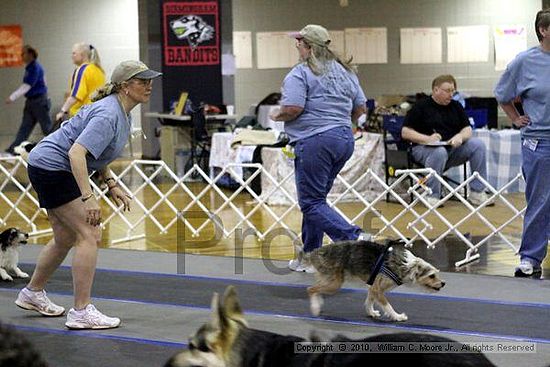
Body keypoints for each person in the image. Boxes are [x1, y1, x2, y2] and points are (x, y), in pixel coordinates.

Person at [14, 60, 162, 329]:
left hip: (47, 164)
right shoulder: (109, 114)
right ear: (125, 87)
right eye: (142, 81)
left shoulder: (122, 113)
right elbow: (76, 153)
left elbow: (96, 151)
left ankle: (32, 293)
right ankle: (81, 311)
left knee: (65, 237)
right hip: (53, 167)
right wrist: (88, 196)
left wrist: (110, 183)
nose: (149, 85)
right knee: (89, 233)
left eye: (150, 80)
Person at [270, 24, 370, 273]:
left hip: (315, 141)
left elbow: (293, 108)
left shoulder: (300, 73)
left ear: (309, 47)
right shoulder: (347, 72)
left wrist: (275, 114)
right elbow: (360, 109)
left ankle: (354, 239)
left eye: (300, 42)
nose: (297, 46)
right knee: (316, 201)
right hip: (344, 140)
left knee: (311, 202)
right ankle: (310, 256)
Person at [494, 9, 550, 278]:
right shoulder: (524, 62)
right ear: (544, 30)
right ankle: (530, 257)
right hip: (540, 140)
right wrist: (515, 118)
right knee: (540, 200)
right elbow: (502, 94)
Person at [401, 74, 492, 207]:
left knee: (478, 145)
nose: (451, 94)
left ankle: (477, 192)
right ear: (436, 90)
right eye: (447, 91)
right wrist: (427, 139)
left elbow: (468, 129)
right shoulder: (421, 106)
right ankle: (432, 195)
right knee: (439, 152)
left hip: (450, 149)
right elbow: (405, 132)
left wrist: (460, 137)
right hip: (423, 150)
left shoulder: (456, 106)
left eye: (453, 91)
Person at [4, 45, 53, 155]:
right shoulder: (30, 67)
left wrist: (12, 97)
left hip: (39, 102)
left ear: (30, 54)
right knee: (25, 127)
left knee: (47, 129)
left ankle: (58, 149)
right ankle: (14, 150)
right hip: (31, 102)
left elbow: (27, 86)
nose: (21, 56)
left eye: (23, 53)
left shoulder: (35, 67)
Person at [55, 42, 106, 124]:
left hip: (82, 116)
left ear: (82, 55)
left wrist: (62, 111)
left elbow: (76, 96)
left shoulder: (82, 70)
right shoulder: (99, 70)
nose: (72, 56)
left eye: (74, 53)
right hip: (98, 114)